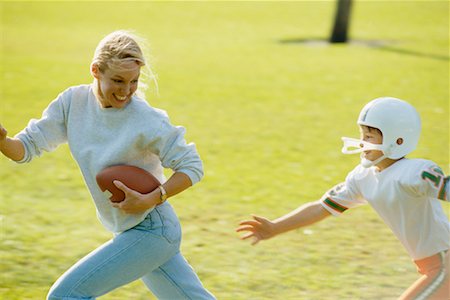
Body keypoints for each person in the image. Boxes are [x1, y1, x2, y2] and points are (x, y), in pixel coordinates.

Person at [0, 30, 215, 300]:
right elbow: (26, 148)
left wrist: (151, 198)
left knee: (66, 296)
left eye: (133, 81)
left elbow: (192, 166)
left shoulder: (146, 120)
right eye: (117, 80)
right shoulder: (72, 103)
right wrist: (3, 141)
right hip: (132, 230)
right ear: (95, 70)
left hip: (153, 229)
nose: (126, 91)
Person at [236, 97, 449, 300]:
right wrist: (275, 227)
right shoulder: (362, 176)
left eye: (369, 136)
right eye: (362, 134)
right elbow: (322, 207)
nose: (362, 142)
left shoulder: (416, 172)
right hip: (430, 265)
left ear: (398, 140)